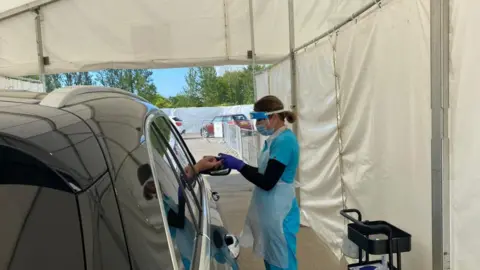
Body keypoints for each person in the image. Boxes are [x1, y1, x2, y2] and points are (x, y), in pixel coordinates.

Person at [219, 95, 300, 270]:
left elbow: (268, 181)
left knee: (282, 261)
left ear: (274, 117)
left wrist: (240, 166)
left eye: (260, 120)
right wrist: (238, 164)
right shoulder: (274, 140)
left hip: (280, 212)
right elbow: (264, 172)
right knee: (271, 258)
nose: (257, 125)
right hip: (271, 211)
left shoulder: (285, 141)